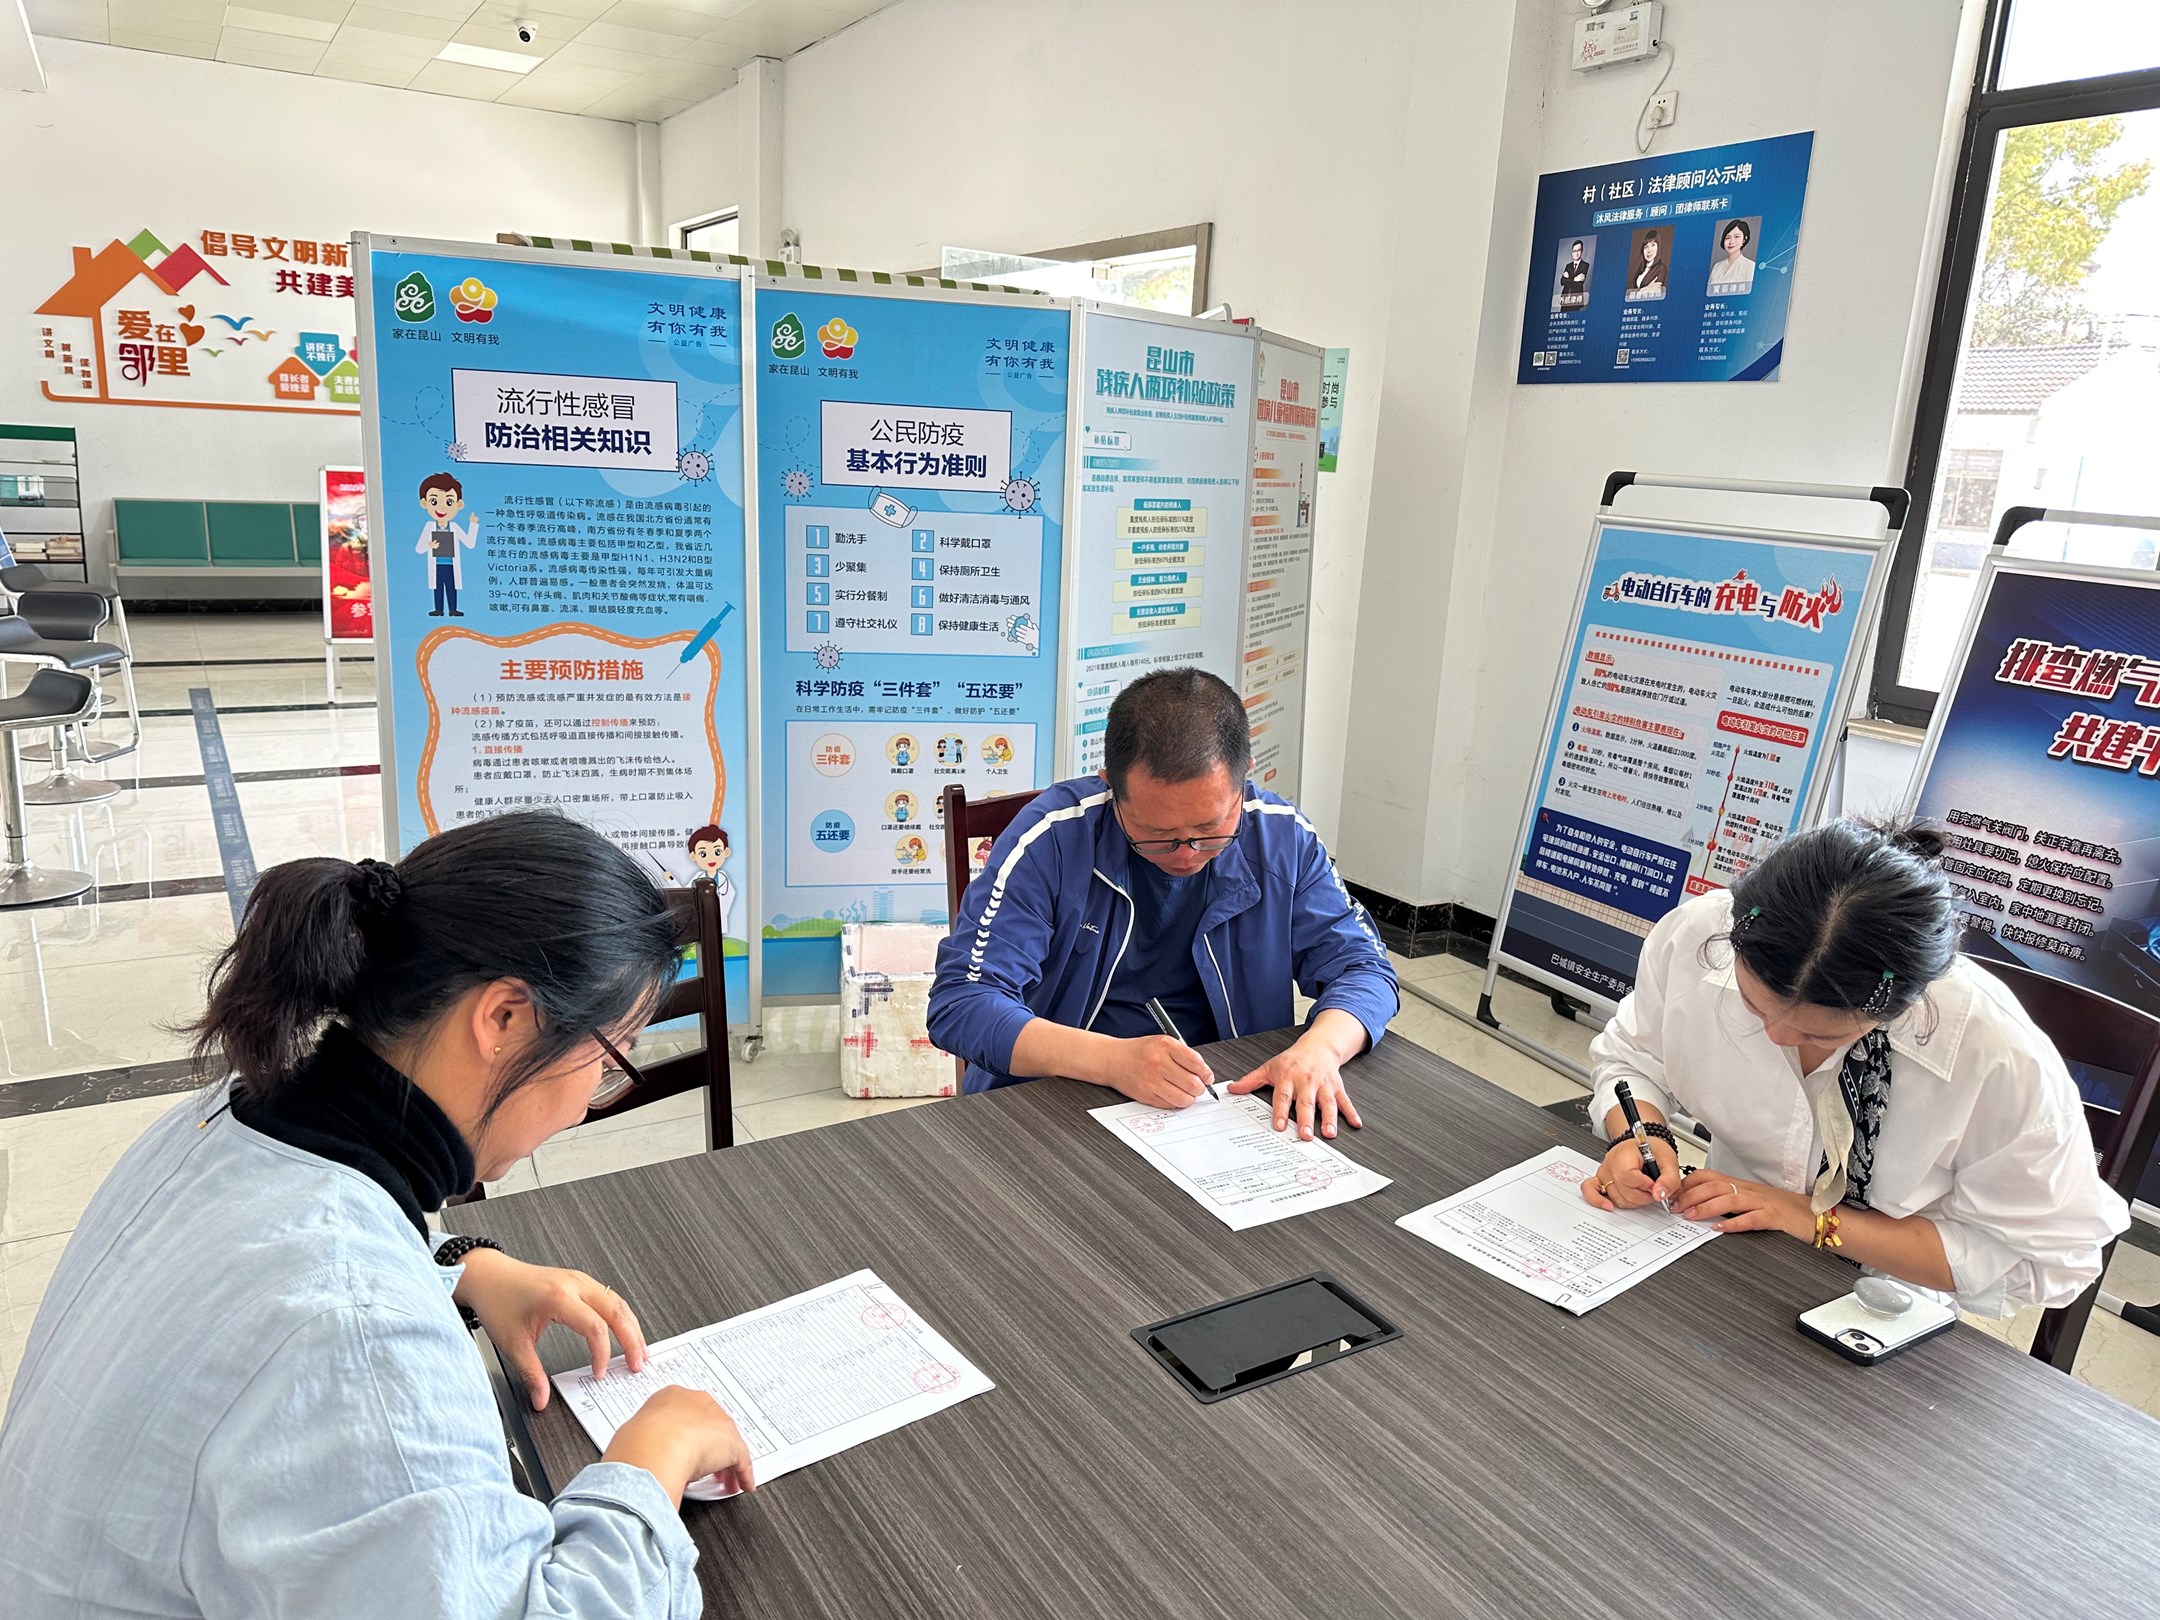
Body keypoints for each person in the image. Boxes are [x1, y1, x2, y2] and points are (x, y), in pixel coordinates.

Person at [0, 813, 754, 1619]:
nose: (583, 1108)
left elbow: (280, 1265)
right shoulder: (361, 1342)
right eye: (607, 1059)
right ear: (504, 1019)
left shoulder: (225, 1118)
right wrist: (651, 1459)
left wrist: (463, 1268)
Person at [1583, 818, 2128, 1316]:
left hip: (1887, 1298)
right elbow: (1635, 1057)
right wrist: (1640, 1136)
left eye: (1822, 1034)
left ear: (1901, 1005)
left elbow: (2047, 1262)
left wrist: (1808, 1217)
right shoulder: (1700, 935)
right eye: (1753, 1004)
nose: (1777, 1036)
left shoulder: (1993, 1054)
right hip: (1717, 1246)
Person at [929, 667, 1397, 1141]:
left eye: (1210, 829)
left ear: (1244, 779)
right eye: (1156, 834)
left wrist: (1321, 1049)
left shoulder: (1282, 840)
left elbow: (1364, 968)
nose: (1186, 853)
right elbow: (962, 1003)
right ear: (1111, 786)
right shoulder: (1052, 841)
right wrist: (1110, 1059)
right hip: (1058, 1098)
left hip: (1223, 1103)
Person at [415, 470, 479, 618]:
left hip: (450, 564)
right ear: (424, 503)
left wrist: (473, 524)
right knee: (437, 587)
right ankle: (438, 609)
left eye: (449, 502)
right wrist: (429, 545)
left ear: (459, 504)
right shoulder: (429, 527)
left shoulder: (454, 527)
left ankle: (453, 609)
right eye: (434, 501)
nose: (442, 508)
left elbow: (469, 543)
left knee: (451, 587)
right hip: (437, 564)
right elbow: (419, 548)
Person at [1708, 217, 1756, 294]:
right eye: (1727, 238)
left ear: (1744, 240)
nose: (1731, 242)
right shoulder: (1716, 266)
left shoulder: (1750, 266)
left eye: (1736, 237)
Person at [1626, 233, 1667, 300]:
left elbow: (1655, 293)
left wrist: (1640, 292)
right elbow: (1628, 293)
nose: (1649, 250)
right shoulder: (1641, 269)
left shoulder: (1661, 268)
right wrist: (1643, 291)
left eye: (1653, 245)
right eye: (1646, 247)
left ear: (1658, 247)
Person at [1557, 238, 1591, 309]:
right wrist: (1574, 279)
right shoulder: (1568, 266)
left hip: (1576, 300)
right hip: (1565, 299)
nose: (1576, 253)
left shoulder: (1585, 265)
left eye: (1579, 250)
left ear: (1582, 251)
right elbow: (1562, 281)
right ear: (1572, 252)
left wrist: (1568, 279)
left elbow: (1579, 284)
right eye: (1574, 251)